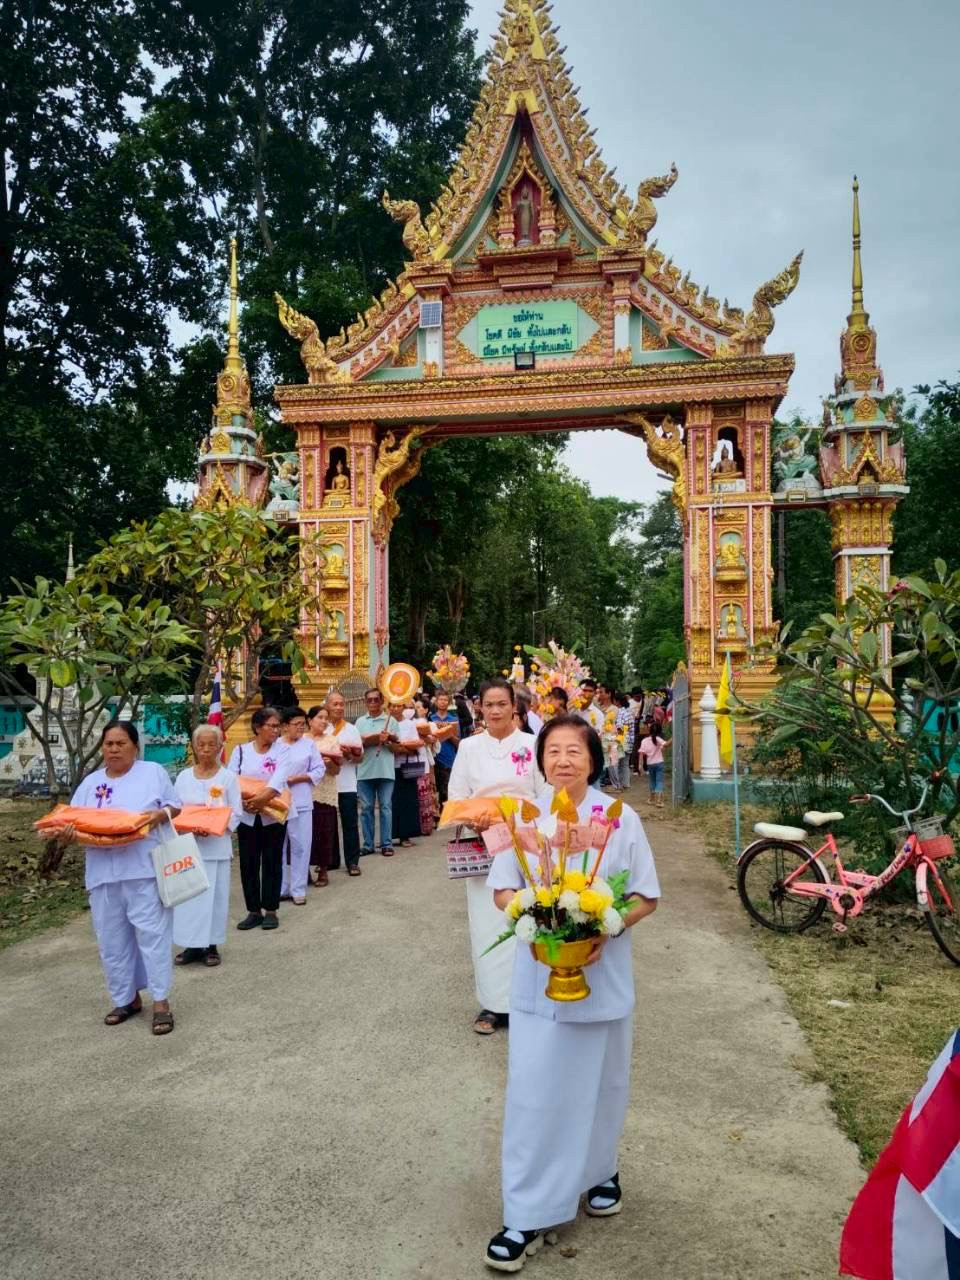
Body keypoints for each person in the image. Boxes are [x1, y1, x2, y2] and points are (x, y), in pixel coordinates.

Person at [485, 714, 660, 1270]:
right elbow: (502, 889)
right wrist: (528, 915)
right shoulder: (524, 815)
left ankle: (599, 1169)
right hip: (540, 978)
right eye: (553, 750)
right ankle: (526, 1212)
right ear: (539, 760)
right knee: (535, 1094)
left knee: (604, 1084)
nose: (563, 760)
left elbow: (645, 897)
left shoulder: (621, 818)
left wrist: (606, 925)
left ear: (593, 759)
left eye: (574, 751)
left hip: (601, 978)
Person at [48, 721, 181, 1034]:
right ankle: (127, 998)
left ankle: (161, 1001)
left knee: (152, 936)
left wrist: (158, 815)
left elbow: (175, 807)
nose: (114, 749)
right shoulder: (90, 784)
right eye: (109, 744)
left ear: (135, 746)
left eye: (121, 743)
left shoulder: (152, 773)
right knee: (112, 941)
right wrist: (66, 835)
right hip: (103, 875)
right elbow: (74, 821)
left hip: (143, 870)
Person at [447, 678, 544, 1037]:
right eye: (489, 704)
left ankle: (527, 1001)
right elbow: (456, 794)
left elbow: (545, 794)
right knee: (487, 922)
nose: (496, 711)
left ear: (514, 706)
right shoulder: (469, 748)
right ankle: (492, 1004)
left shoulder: (533, 746)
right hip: (483, 842)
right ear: (480, 708)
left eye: (502, 703)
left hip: (525, 844)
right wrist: (473, 816)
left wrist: (517, 818)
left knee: (527, 919)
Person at [172, 724, 242, 967]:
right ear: (193, 747)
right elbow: (174, 808)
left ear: (220, 747)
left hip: (216, 846)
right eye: (201, 744)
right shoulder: (183, 777)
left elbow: (236, 812)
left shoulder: (227, 777)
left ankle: (211, 945)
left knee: (215, 897)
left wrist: (216, 827)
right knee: (190, 898)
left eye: (211, 744)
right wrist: (187, 826)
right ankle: (191, 945)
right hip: (188, 846)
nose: (206, 749)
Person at [228, 706, 290, 931]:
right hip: (246, 816)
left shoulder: (282, 750)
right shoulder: (241, 751)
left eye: (277, 726)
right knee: (249, 863)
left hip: (273, 814)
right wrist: (246, 804)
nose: (276, 730)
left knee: (272, 861)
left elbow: (279, 779)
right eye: (271, 726)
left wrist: (260, 801)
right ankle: (253, 910)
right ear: (257, 727)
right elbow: (231, 779)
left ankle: (271, 909)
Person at [278, 706, 325, 905]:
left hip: (302, 799)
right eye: (296, 724)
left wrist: (301, 777)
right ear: (285, 726)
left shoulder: (308, 745)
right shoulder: (276, 745)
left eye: (302, 724)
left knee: (300, 845)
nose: (300, 728)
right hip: (278, 801)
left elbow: (319, 768)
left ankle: (298, 889)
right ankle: (281, 887)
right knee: (278, 846)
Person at [355, 688, 399, 857]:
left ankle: (387, 844)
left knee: (386, 807)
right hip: (365, 771)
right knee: (366, 808)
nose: (373, 703)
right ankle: (368, 844)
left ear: (381, 702)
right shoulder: (359, 722)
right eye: (370, 700)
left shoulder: (391, 721)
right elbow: (356, 746)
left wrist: (388, 740)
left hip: (386, 771)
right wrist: (369, 740)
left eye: (376, 700)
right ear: (365, 702)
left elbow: (398, 748)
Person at [325, 689, 364, 877]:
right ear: (327, 706)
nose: (339, 707)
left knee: (350, 823)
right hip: (325, 784)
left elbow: (360, 758)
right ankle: (330, 861)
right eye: (335, 704)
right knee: (327, 824)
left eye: (342, 704)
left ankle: (352, 862)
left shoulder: (351, 729)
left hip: (347, 783)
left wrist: (349, 754)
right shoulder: (320, 728)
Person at [306, 705, 339, 886]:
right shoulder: (301, 740)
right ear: (310, 720)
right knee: (304, 833)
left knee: (323, 831)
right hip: (304, 791)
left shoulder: (332, 741)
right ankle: (303, 871)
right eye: (320, 717)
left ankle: (323, 870)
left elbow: (336, 770)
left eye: (326, 718)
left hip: (325, 790)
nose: (324, 721)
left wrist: (328, 764)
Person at [389, 700, 423, 848]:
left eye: (398, 705)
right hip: (389, 766)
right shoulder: (386, 723)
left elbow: (416, 743)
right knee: (390, 801)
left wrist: (402, 747)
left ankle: (405, 835)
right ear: (388, 707)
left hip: (405, 765)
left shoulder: (409, 724)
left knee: (408, 800)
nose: (396, 708)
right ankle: (389, 835)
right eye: (392, 706)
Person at [429, 691, 460, 807]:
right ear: (436, 702)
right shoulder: (431, 718)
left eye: (445, 700)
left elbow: (458, 743)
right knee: (433, 789)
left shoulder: (453, 720)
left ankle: (445, 817)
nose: (443, 702)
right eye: (440, 700)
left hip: (448, 758)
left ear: (449, 702)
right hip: (433, 758)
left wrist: (449, 732)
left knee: (446, 791)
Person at [638, 719, 669, 807]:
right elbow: (665, 745)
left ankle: (652, 798)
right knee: (659, 781)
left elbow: (641, 754)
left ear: (649, 730)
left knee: (652, 780)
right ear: (659, 731)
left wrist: (640, 766)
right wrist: (672, 739)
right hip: (659, 763)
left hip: (650, 764)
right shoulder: (658, 739)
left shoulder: (644, 741)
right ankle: (659, 801)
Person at [614, 693, 634, 791]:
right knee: (625, 764)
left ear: (617, 702)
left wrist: (618, 741)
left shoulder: (620, 713)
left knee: (617, 764)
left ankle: (619, 784)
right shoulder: (629, 712)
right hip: (629, 741)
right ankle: (626, 783)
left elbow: (620, 728)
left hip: (622, 741)